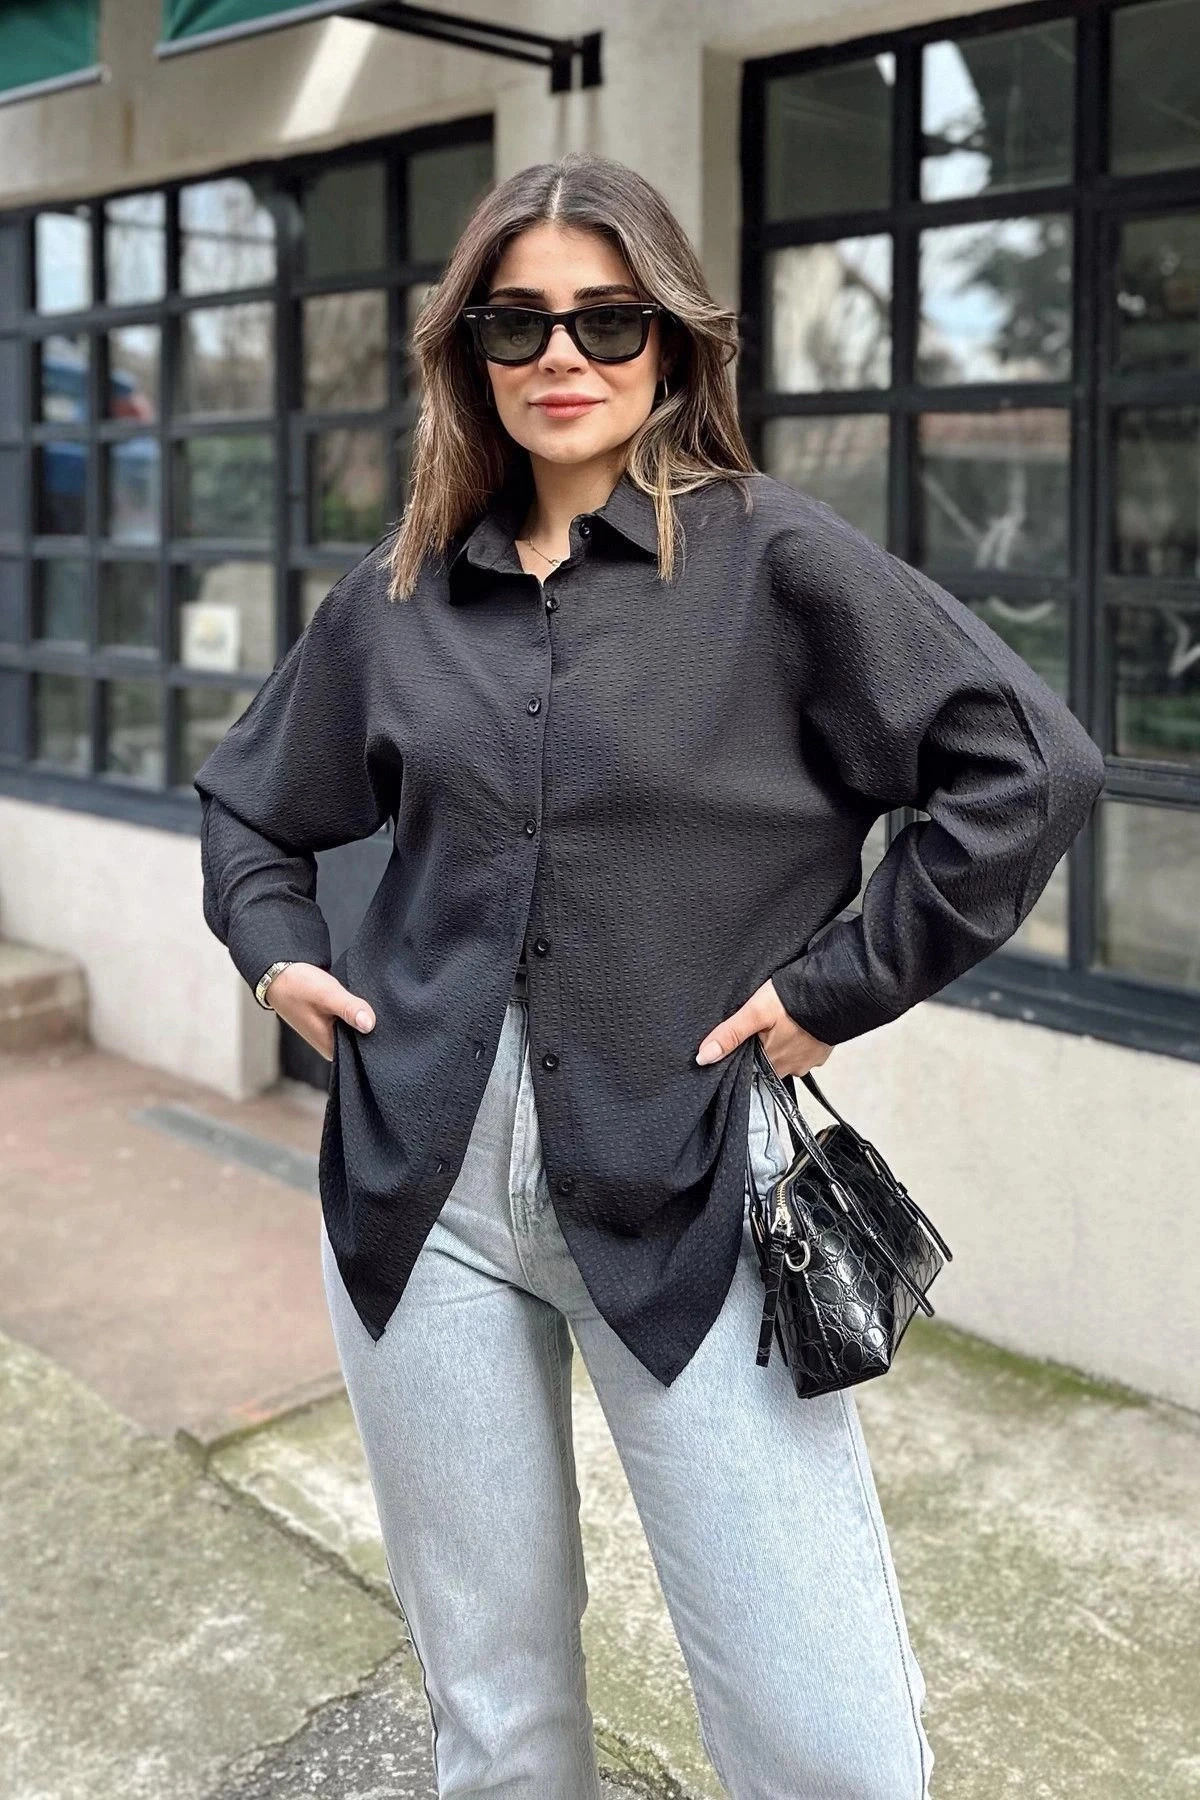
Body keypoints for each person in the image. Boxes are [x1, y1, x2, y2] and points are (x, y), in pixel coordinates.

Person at [194, 151, 1106, 1799]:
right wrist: (278, 960)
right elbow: (253, 806)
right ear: (469, 352)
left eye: (608, 320)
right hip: (422, 1187)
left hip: (694, 1179)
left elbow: (1030, 770)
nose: (564, 355)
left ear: (672, 342)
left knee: (830, 1747)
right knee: (499, 1722)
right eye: (518, 322)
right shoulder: (401, 591)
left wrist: (839, 984)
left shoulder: (774, 561)